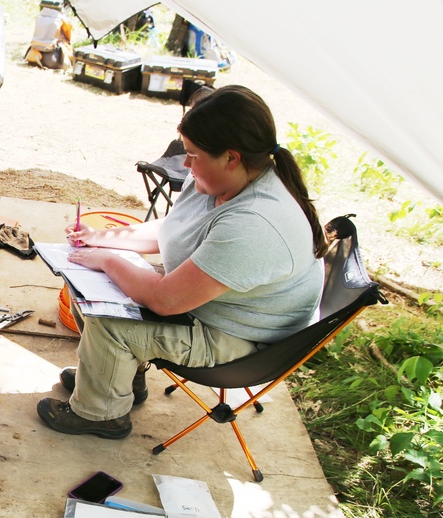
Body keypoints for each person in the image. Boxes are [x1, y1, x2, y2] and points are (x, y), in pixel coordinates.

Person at [38, 85, 329, 439]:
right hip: (215, 303)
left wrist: (109, 261)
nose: (185, 164)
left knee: (109, 321)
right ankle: (117, 378)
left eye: (192, 155)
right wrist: (103, 239)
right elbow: (175, 229)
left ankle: (100, 415)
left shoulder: (255, 223)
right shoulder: (220, 178)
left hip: (239, 336)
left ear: (231, 157)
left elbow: (165, 301)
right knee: (86, 286)